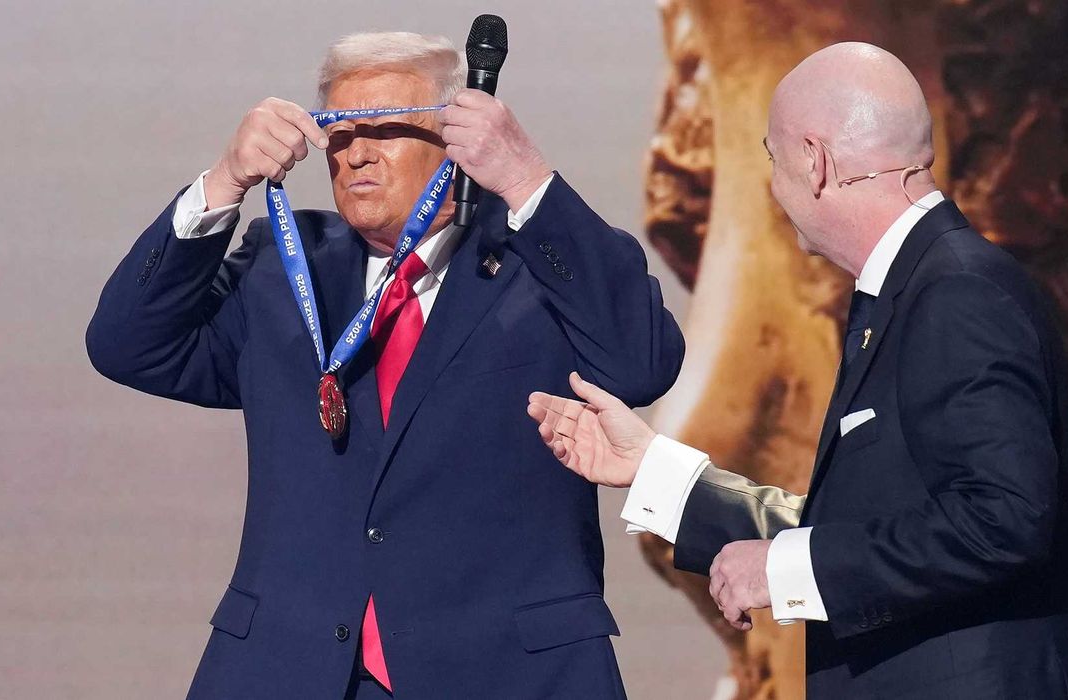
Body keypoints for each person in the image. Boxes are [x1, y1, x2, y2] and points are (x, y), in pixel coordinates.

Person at [87, 31, 682, 699]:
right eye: (338, 134)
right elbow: (128, 345)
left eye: (386, 131)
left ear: (458, 139)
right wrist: (223, 183)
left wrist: (520, 177)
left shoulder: (539, 266)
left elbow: (640, 365)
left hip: (504, 672)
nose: (358, 154)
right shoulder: (284, 266)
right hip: (291, 671)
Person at [528, 42, 1068, 698]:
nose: (772, 186)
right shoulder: (906, 292)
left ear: (816, 161)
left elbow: (1000, 519)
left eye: (772, 160)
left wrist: (786, 569)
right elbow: (868, 531)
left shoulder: (956, 292)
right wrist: (652, 470)